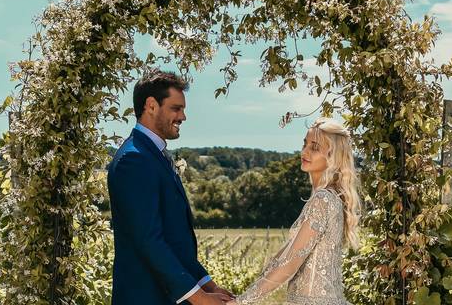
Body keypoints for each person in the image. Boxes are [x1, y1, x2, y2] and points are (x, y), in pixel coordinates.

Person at [107, 69, 235, 304]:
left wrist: (209, 285)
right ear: (151, 105)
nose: (183, 117)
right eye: (176, 108)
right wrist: (201, 299)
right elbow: (149, 241)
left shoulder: (155, 155)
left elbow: (175, 240)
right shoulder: (133, 159)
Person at [232, 117, 361, 305]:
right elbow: (284, 256)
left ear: (333, 157)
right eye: (305, 144)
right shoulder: (329, 197)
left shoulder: (323, 200)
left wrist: (241, 302)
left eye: (314, 147)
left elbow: (291, 262)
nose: (305, 151)